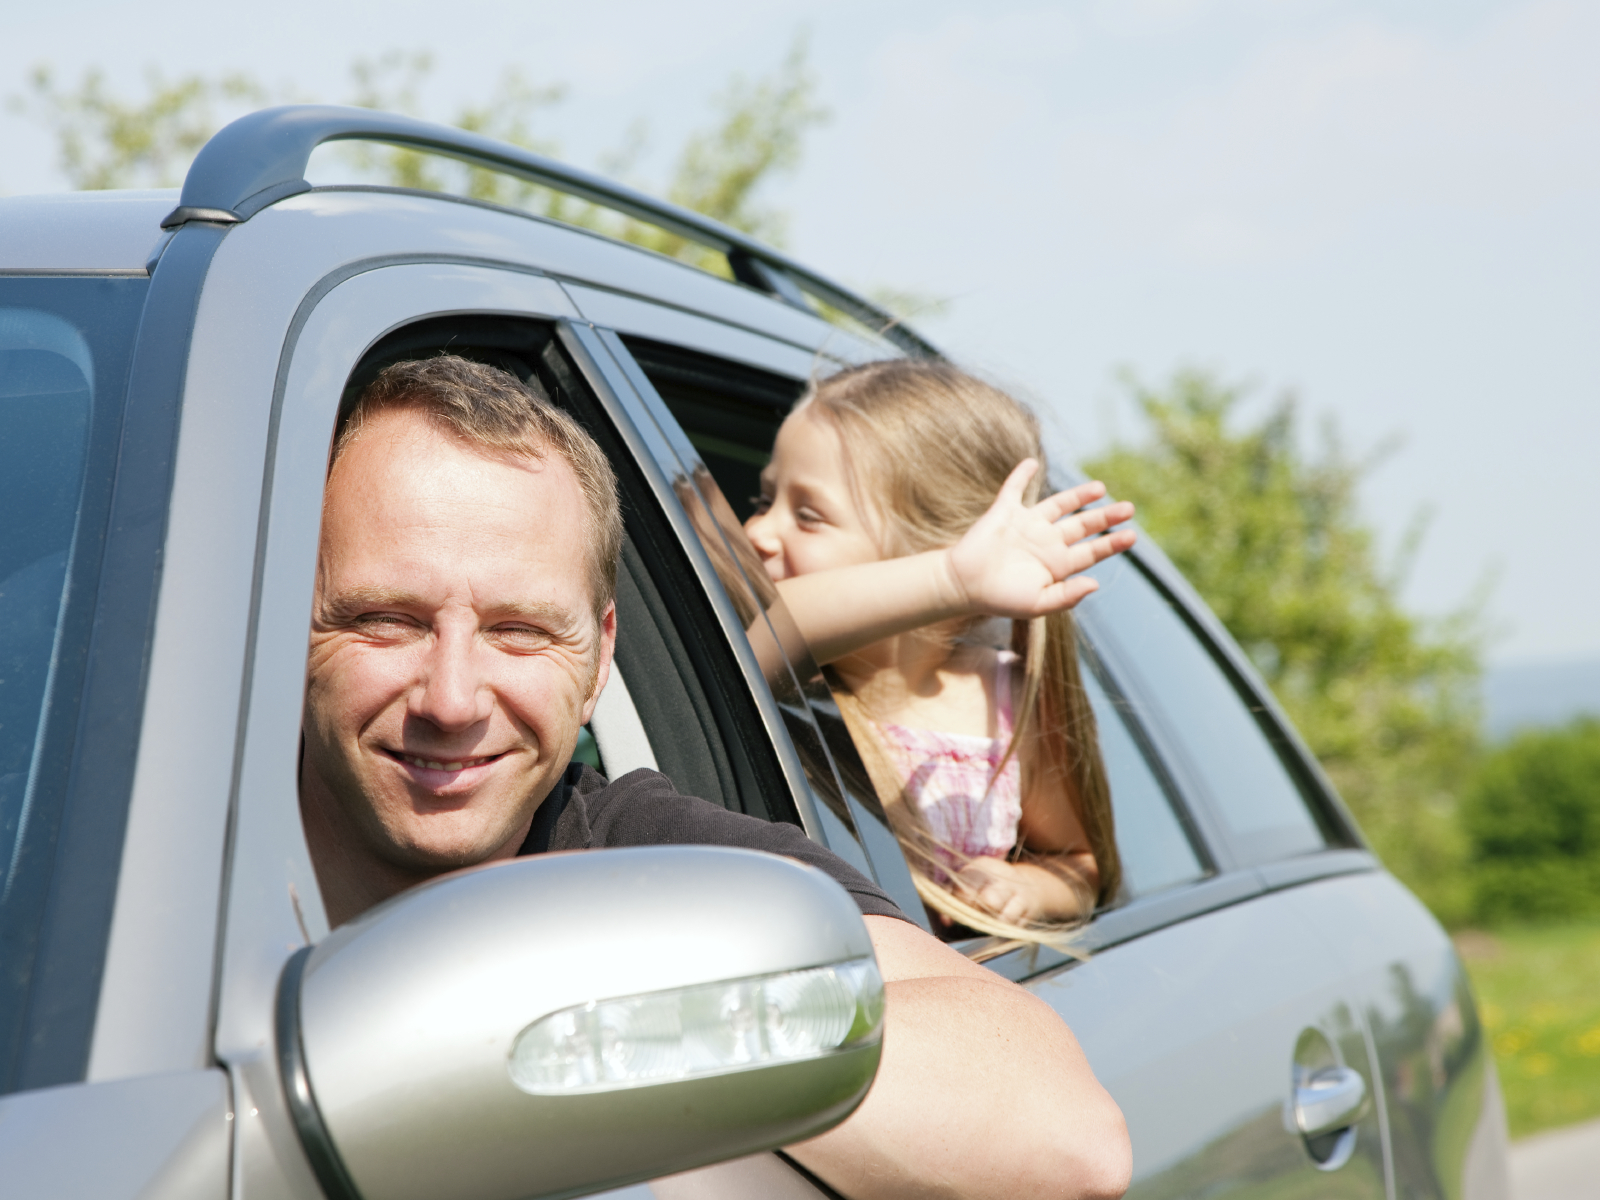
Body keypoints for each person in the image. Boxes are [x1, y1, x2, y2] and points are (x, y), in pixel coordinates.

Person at [297, 355, 1130, 1200]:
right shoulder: (160, 845)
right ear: (287, 620)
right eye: (386, 621)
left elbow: (1071, 1140)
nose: (452, 697)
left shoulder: (649, 855)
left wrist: (571, 1034)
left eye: (521, 633)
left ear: (599, 661)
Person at [742, 359, 1136, 947]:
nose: (757, 532)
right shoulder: (778, 679)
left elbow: (1079, 863)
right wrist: (948, 579)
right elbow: (783, 629)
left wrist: (1028, 888)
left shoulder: (1003, 705)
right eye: (765, 497)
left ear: (944, 548)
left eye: (808, 515)